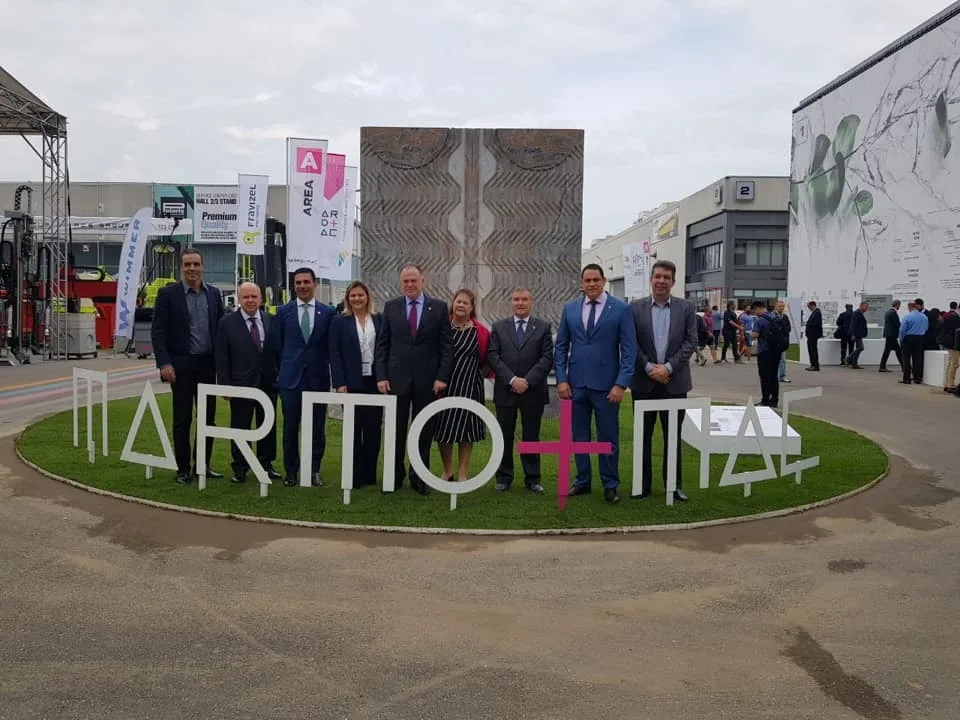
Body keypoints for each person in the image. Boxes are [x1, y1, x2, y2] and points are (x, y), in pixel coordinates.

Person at [555, 264, 637, 504]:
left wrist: (621, 384)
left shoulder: (621, 309)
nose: (591, 284)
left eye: (595, 280)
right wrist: (561, 379)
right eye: (587, 280)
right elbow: (560, 346)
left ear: (604, 281)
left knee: (607, 437)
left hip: (607, 387)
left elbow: (629, 351)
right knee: (578, 436)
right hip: (575, 385)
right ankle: (582, 481)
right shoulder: (570, 309)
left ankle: (610, 484)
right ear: (581, 283)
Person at [375, 264, 453, 495]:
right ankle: (395, 476)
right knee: (396, 430)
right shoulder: (391, 307)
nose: (409, 285)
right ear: (401, 283)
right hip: (396, 379)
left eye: (413, 281)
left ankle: (419, 477)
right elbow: (383, 345)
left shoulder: (438, 308)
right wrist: (381, 376)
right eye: (405, 281)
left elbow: (446, 347)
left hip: (427, 381)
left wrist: (442, 377)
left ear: (422, 281)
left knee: (423, 431)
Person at [150, 249, 224, 485]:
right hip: (180, 367)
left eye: (196, 264)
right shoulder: (168, 294)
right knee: (182, 420)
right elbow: (158, 332)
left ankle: (202, 465)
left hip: (207, 365)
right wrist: (164, 363)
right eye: (187, 264)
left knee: (208, 419)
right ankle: (183, 468)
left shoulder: (213, 294)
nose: (192, 268)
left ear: (203, 267)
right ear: (181, 268)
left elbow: (220, 330)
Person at [629, 260, 697, 503]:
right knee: (643, 436)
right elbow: (630, 343)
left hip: (674, 383)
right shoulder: (634, 308)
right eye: (657, 276)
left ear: (673, 282)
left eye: (666, 277)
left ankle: (674, 486)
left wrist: (668, 367)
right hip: (643, 382)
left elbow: (691, 342)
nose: (661, 281)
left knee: (672, 436)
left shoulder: (686, 308)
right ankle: (642, 485)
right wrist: (648, 367)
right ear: (651, 279)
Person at [266, 267, 334, 487]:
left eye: (306, 282)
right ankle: (291, 471)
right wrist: (281, 374)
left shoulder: (328, 312)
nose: (302, 286)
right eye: (298, 282)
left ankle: (313, 469)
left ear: (314, 284)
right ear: (294, 286)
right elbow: (275, 347)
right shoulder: (283, 312)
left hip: (318, 380)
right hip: (290, 381)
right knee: (290, 428)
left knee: (317, 428)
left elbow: (331, 347)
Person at [487, 288, 554, 494]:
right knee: (504, 434)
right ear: (511, 302)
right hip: (506, 391)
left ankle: (533, 478)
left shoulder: (543, 327)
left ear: (531, 302)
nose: (520, 303)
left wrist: (527, 381)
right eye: (516, 299)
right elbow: (493, 356)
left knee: (531, 435)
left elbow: (546, 358)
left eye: (524, 299)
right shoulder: (499, 327)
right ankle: (504, 477)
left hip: (532, 391)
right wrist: (513, 380)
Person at [214, 282, 281, 484]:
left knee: (268, 425)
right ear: (239, 298)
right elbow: (222, 357)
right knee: (240, 426)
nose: (250, 300)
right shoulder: (227, 323)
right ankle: (240, 467)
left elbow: (277, 352)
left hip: (268, 383)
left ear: (261, 298)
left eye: (254, 296)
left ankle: (266, 464)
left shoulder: (271, 320)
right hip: (240, 384)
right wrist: (225, 384)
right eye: (246, 297)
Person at [329, 281, 384, 489]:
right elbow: (334, 354)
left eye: (360, 295)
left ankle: (369, 473)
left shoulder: (379, 320)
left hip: (374, 382)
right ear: (348, 299)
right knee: (353, 430)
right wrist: (339, 383)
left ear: (367, 297)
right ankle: (354, 475)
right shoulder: (339, 322)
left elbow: (384, 350)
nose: (357, 299)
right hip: (350, 383)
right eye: (353, 296)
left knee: (373, 430)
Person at [434, 289, 491, 483]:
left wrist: (480, 375)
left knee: (467, 431)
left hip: (470, 387)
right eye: (458, 301)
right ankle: (447, 470)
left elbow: (488, 358)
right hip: (445, 386)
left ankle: (463, 472)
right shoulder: (443, 327)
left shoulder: (480, 331)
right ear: (453, 303)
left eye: (465, 303)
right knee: (444, 430)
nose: (461, 305)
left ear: (472, 307)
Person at [750, 301, 780, 407]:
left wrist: (750, 332)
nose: (754, 313)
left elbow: (755, 334)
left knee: (764, 377)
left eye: (754, 311)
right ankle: (774, 399)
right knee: (774, 376)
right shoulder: (774, 317)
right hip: (776, 350)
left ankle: (765, 399)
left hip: (764, 351)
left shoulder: (760, 320)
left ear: (758, 308)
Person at [899, 299, 929, 385]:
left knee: (906, 359)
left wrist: (901, 339)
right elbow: (926, 328)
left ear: (909, 307)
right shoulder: (924, 317)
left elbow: (902, 330)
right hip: (920, 338)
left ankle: (907, 378)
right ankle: (917, 378)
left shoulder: (907, 317)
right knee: (918, 359)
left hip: (908, 338)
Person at [939, 301, 960, 392]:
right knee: (954, 364)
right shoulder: (954, 318)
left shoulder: (952, 316)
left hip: (952, 343)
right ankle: (950, 384)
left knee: (951, 363)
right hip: (954, 344)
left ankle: (947, 384)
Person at [879, 300, 902, 373]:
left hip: (889, 335)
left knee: (887, 351)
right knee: (899, 351)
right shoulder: (893, 313)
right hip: (892, 335)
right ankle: (904, 367)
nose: (899, 307)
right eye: (899, 305)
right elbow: (897, 324)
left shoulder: (888, 312)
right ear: (897, 305)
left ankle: (882, 366)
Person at [846, 301, 868, 369]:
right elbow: (853, 324)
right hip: (857, 334)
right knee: (860, 348)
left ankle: (854, 363)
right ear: (861, 306)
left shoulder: (860, 313)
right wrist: (853, 334)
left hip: (859, 334)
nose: (867, 308)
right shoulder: (857, 313)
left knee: (859, 348)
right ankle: (849, 358)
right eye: (866, 307)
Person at [775, 301, 792, 382]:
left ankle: (782, 376)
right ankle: (774, 376)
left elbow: (788, 328)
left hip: (783, 342)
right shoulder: (772, 316)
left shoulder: (785, 317)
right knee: (774, 360)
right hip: (774, 342)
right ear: (776, 306)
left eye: (783, 306)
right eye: (780, 306)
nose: (781, 308)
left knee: (782, 360)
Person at [804, 300, 823, 371]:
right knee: (811, 350)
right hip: (811, 335)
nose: (809, 308)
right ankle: (812, 364)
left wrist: (808, 325)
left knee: (813, 350)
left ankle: (815, 365)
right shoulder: (814, 313)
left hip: (813, 335)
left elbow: (815, 324)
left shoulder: (817, 313)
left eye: (809, 307)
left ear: (813, 305)